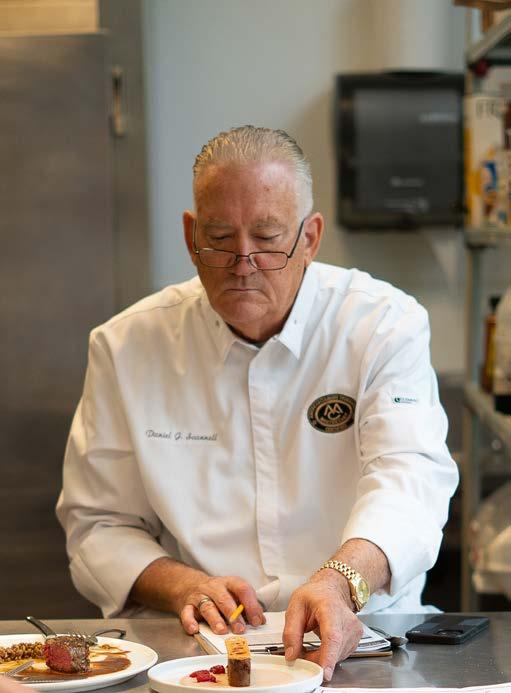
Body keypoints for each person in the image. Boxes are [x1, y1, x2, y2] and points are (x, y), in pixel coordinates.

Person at [57, 125, 458, 681]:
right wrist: (183, 584)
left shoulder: (383, 325)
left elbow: (409, 481)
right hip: (194, 647)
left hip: (366, 633)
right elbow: (98, 523)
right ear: (190, 236)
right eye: (220, 237)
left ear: (310, 238)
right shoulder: (127, 346)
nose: (243, 261)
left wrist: (340, 582)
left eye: (268, 238)